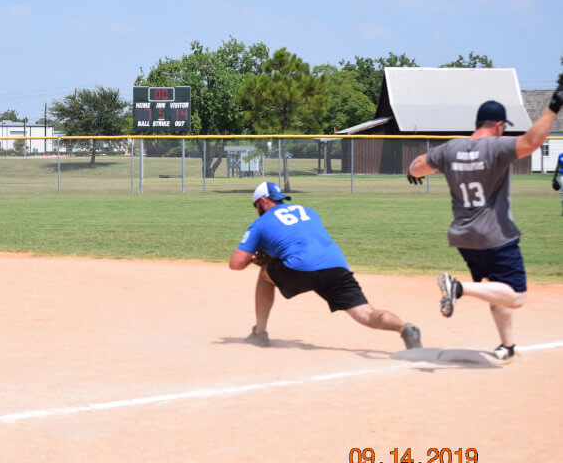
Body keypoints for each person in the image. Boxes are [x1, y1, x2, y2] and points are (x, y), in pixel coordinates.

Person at [407, 87, 563, 360]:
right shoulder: (496, 147)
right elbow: (531, 142)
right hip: (496, 236)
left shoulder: (451, 148)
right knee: (516, 296)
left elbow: (419, 166)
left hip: (464, 237)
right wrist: (553, 107)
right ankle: (458, 288)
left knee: (495, 289)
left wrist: (413, 171)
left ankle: (507, 345)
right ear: (499, 126)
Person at [228, 181, 422, 350]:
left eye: (256, 206)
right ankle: (404, 328)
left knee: (265, 274)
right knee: (366, 313)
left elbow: (235, 264)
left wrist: (255, 259)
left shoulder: (260, 223)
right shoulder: (308, 211)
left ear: (262, 202)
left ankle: (260, 334)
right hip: (336, 265)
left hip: (300, 267)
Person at [552, 149, 562, 215]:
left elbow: (557, 167)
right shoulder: (560, 156)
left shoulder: (561, 156)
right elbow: (557, 167)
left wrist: (554, 178)